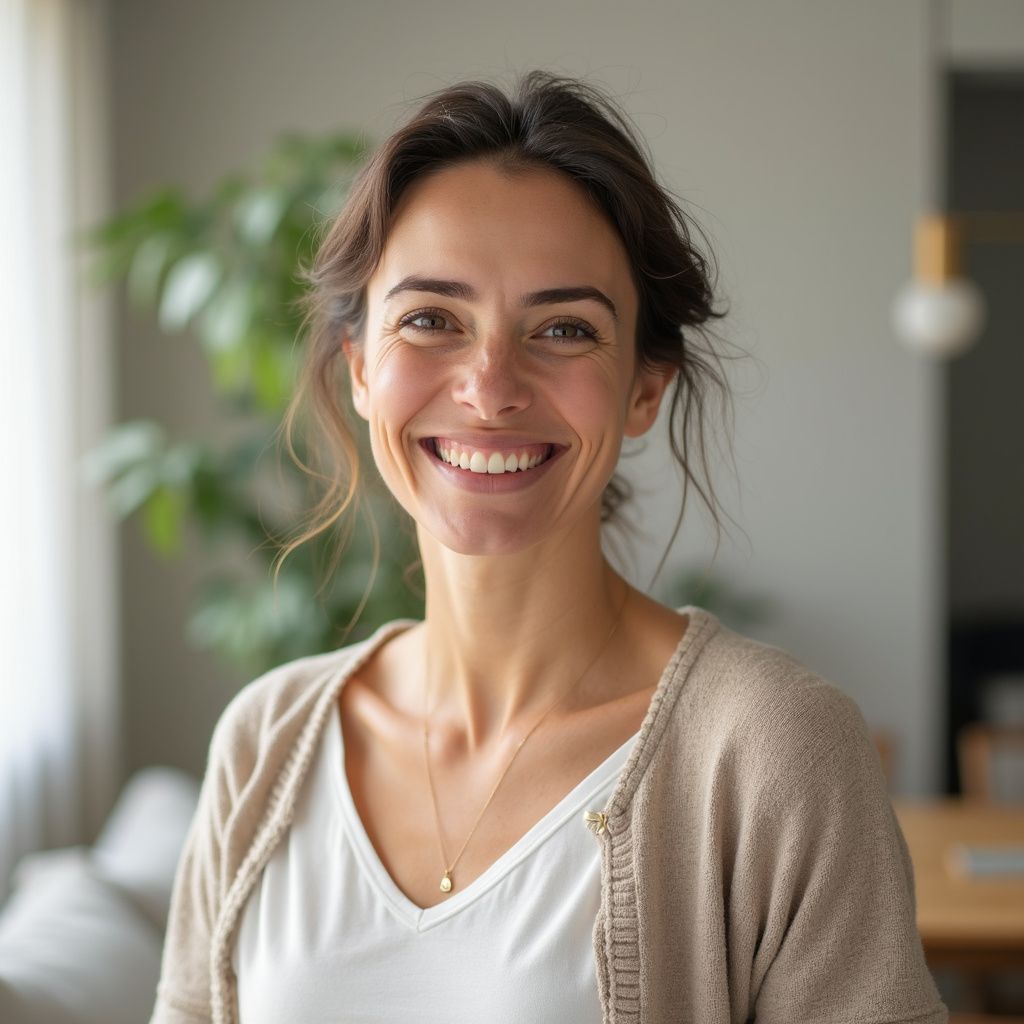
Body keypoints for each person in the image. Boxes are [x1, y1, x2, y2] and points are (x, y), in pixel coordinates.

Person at [150, 70, 948, 1024]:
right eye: (431, 320)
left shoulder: (776, 753)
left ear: (644, 389)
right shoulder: (267, 740)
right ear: (362, 371)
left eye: (564, 329)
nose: (490, 387)